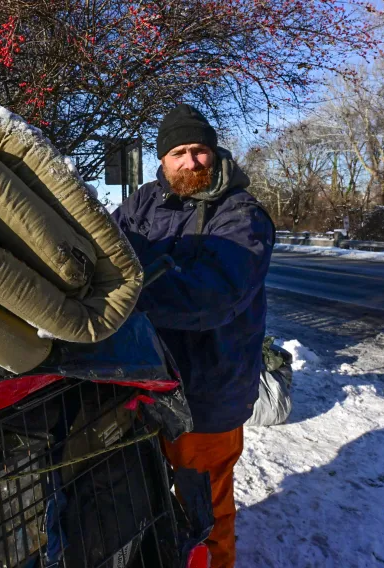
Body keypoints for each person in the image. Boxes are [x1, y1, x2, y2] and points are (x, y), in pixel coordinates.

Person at [112, 104, 274, 567]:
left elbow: (218, 293)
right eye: (178, 152)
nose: (190, 162)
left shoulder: (241, 215)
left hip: (207, 391)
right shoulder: (142, 202)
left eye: (198, 151)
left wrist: (129, 294)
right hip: (143, 381)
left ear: (214, 152)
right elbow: (105, 245)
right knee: (140, 492)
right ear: (161, 160)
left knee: (204, 510)